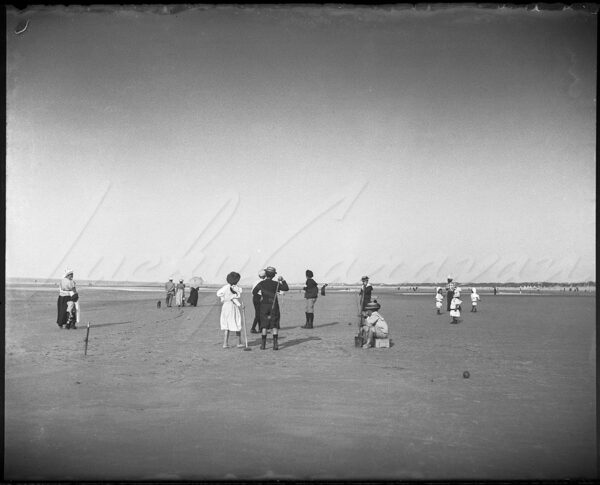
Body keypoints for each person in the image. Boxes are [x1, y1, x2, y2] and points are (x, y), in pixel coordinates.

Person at [252, 266, 289, 350]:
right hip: (274, 305)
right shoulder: (276, 284)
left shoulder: (261, 283)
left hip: (264, 305)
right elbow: (286, 288)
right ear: (273, 275)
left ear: (266, 274)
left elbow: (254, 292)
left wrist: (261, 296)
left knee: (264, 325)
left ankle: (263, 345)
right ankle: (275, 345)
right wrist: (283, 280)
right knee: (274, 324)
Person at [216, 272, 244, 348]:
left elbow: (219, 293)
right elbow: (233, 299)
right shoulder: (236, 288)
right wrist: (240, 305)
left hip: (225, 306)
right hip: (232, 307)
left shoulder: (225, 287)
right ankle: (239, 343)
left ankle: (225, 343)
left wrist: (223, 298)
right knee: (237, 322)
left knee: (226, 324)